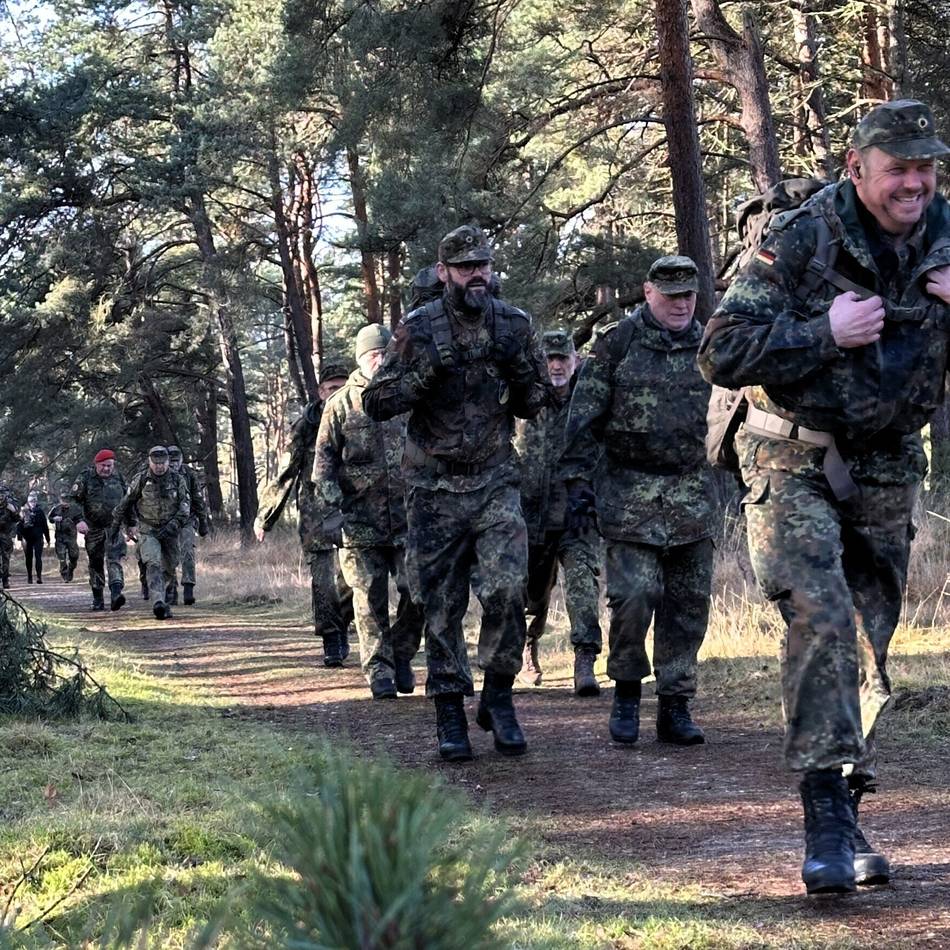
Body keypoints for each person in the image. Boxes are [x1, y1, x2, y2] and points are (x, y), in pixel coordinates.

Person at [697, 99, 950, 895]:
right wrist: (822, 333)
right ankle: (825, 826)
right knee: (823, 616)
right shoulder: (803, 236)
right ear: (856, 169)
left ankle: (847, 796)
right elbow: (721, 350)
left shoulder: (947, 232)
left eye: (925, 167)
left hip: (885, 465)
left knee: (872, 647)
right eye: (898, 168)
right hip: (790, 454)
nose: (914, 182)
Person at [364, 224, 552, 761]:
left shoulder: (513, 324)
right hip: (433, 488)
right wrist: (421, 377)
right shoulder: (417, 329)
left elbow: (537, 400)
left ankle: (499, 694)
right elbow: (376, 403)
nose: (476, 275)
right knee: (439, 602)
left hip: (494, 479)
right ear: (444, 272)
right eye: (465, 267)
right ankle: (449, 709)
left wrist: (522, 375)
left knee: (507, 589)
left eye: (483, 265)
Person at [562, 256, 714, 749]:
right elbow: (582, 420)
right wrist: (577, 487)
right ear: (648, 292)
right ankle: (627, 689)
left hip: (692, 494)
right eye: (670, 296)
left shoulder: (710, 343)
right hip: (629, 494)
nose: (681, 304)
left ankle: (676, 704)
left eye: (688, 295)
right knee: (634, 596)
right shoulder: (617, 344)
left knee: (688, 606)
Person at [313, 324, 424, 699]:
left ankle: (404, 654)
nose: (380, 361)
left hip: (409, 519)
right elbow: (324, 464)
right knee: (368, 597)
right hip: (359, 523)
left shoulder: (406, 397)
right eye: (373, 355)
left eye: (385, 354)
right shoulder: (339, 404)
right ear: (361, 359)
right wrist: (331, 512)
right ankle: (378, 669)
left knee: (418, 590)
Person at [513, 329, 603, 695]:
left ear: (574, 360)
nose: (556, 366)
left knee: (582, 582)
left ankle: (585, 659)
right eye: (549, 360)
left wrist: (592, 491)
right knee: (532, 595)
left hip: (575, 513)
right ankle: (527, 647)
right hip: (528, 512)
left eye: (562, 358)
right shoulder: (524, 400)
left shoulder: (590, 398)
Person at [255, 360, 356, 666]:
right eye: (331, 388)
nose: (337, 393)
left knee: (351, 581)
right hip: (316, 517)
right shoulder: (306, 426)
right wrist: (266, 516)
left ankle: (346, 625)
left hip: (355, 514)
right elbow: (286, 472)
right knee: (323, 581)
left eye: (342, 387)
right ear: (321, 391)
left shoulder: (363, 417)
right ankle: (332, 640)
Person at [112, 446, 190, 620]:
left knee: (170, 567)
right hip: (149, 531)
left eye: (162, 463)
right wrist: (118, 525)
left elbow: (185, 507)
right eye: (156, 463)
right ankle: (158, 601)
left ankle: (167, 602)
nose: (159, 467)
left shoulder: (178, 480)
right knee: (153, 563)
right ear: (149, 461)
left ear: (168, 462)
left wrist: (173, 525)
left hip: (170, 530)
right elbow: (125, 503)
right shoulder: (141, 479)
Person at [71, 448, 128, 611]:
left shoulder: (119, 478)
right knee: (95, 562)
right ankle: (98, 599)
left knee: (114, 559)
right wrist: (78, 520)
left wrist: (131, 524)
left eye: (110, 465)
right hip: (93, 528)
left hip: (114, 526)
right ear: (96, 464)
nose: (106, 469)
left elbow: (127, 501)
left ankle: (116, 594)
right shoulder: (85, 477)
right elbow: (73, 500)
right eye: (103, 465)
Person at [166, 446, 209, 605]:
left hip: (187, 519)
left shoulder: (189, 474)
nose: (174, 465)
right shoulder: (160, 474)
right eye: (171, 461)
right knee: (169, 556)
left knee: (187, 551)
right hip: (166, 521)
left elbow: (198, 499)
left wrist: (203, 522)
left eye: (176, 461)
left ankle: (188, 587)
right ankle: (170, 589)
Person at [17, 492, 50, 584]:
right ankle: (29, 577)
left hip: (38, 537)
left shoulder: (40, 511)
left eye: (34, 501)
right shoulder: (23, 511)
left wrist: (48, 539)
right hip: (26, 538)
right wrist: (19, 539)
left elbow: (45, 526)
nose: (33, 502)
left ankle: (39, 577)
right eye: (31, 501)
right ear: (28, 501)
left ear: (36, 501)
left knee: (38, 557)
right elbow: (19, 525)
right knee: (28, 557)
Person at [50, 493, 80, 582]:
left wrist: (78, 523)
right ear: (60, 499)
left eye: (67, 499)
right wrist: (54, 518)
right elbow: (50, 518)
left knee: (74, 556)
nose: (65, 501)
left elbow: (80, 519)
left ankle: (70, 570)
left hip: (71, 537)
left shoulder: (75, 509)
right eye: (63, 499)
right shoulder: (56, 509)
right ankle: (65, 574)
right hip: (60, 537)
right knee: (62, 557)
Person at [0, 484, 20, 588]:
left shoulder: (11, 504)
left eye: (3, 493)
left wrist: (13, 511)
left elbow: (17, 519)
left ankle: (5, 579)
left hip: (6, 535)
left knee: (6, 558)